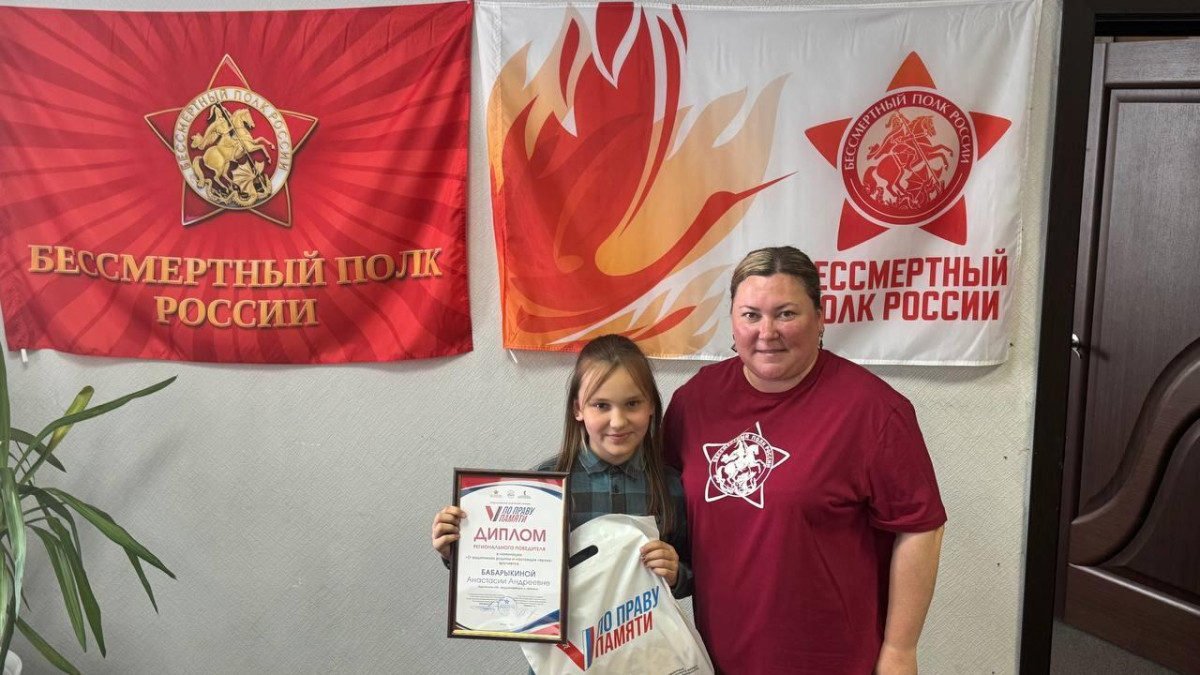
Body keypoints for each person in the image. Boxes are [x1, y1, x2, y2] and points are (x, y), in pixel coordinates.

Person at [663, 246, 946, 675]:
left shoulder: (874, 411)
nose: (767, 332)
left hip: (831, 657)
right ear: (733, 321)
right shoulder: (694, 401)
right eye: (751, 315)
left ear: (820, 317)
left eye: (786, 314)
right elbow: (667, 505)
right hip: (715, 654)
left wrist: (899, 649)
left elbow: (920, 528)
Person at [431, 333, 692, 596]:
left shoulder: (673, 486)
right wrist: (458, 551)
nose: (618, 422)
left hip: (645, 622)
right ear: (578, 409)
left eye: (632, 404)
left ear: (651, 405)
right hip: (565, 624)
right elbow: (510, 574)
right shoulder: (541, 487)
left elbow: (693, 576)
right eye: (601, 405)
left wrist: (676, 575)